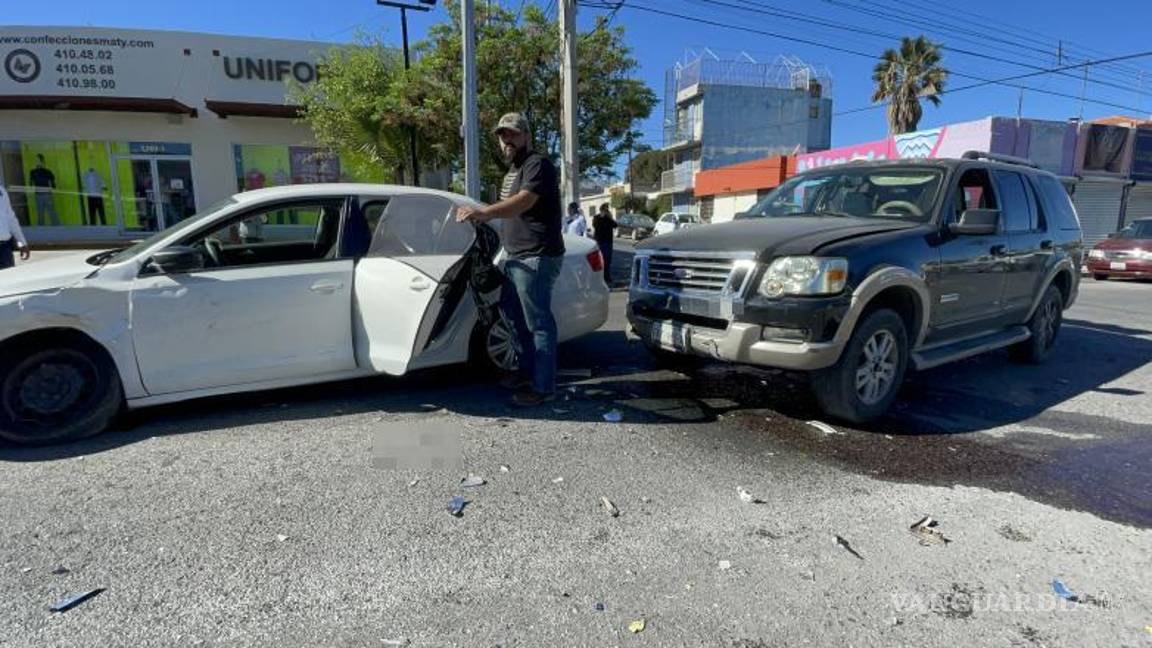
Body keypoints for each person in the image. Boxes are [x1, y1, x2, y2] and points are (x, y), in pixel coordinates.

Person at [456, 112, 564, 406]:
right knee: (512, 315)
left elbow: (525, 201)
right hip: (517, 257)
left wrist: (485, 212)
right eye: (503, 135)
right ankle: (526, 372)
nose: (507, 140)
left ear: (527, 136)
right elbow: (510, 209)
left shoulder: (536, 164)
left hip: (537, 256)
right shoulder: (513, 170)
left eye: (513, 134)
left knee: (539, 323)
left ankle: (543, 388)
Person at [0, 185, 30, 269]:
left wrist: (21, 243)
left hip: (4, 249)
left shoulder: (1, 191)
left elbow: (11, 219)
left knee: (9, 280)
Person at [29, 154, 59, 227]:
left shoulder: (47, 171)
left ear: (42, 161)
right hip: (38, 195)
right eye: (36, 160)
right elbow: (31, 183)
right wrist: (31, 189)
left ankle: (57, 227)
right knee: (40, 213)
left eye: (39, 160)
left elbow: (53, 182)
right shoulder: (33, 172)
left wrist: (53, 187)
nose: (37, 162)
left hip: (47, 195)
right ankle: (41, 229)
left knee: (52, 212)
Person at [592, 203, 617, 286]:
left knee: (607, 261)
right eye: (605, 209)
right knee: (600, 261)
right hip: (600, 242)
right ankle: (600, 277)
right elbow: (595, 226)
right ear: (602, 210)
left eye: (607, 209)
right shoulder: (596, 218)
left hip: (608, 242)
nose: (607, 211)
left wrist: (610, 217)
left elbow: (615, 225)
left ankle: (607, 276)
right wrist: (603, 217)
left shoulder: (608, 218)